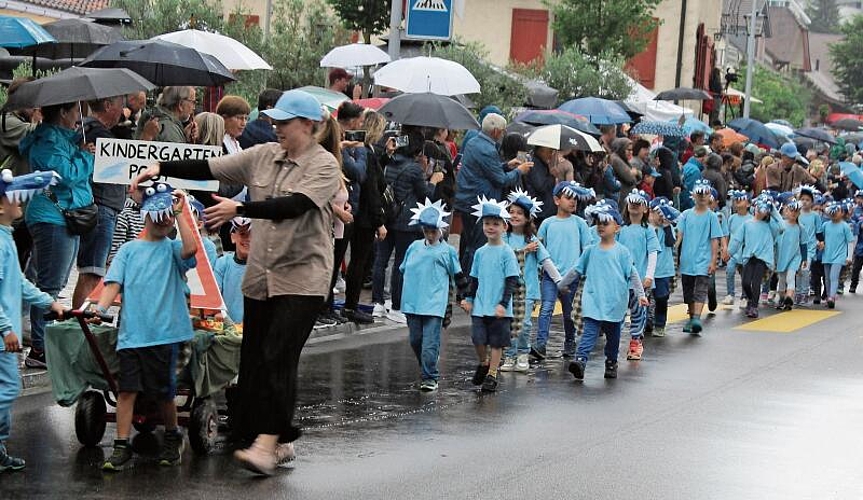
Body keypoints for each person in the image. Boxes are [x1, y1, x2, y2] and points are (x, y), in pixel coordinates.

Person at [131, 89, 341, 475]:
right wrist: (159, 167)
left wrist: (240, 208)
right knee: (256, 358)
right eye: (274, 120)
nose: (275, 126)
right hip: (262, 274)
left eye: (284, 122)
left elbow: (294, 207)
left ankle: (268, 442)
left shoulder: (324, 166)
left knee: (279, 354)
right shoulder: (261, 155)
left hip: (303, 277)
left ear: (309, 126)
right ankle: (260, 435)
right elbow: (211, 166)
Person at [93, 184, 196, 471]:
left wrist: (181, 213)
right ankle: (121, 446)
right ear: (147, 215)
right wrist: (100, 309)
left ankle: (173, 436)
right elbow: (113, 283)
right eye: (159, 214)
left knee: (164, 392)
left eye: (168, 217)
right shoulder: (128, 250)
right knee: (126, 391)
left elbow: (191, 249)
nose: (164, 221)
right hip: (132, 336)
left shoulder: (173, 250)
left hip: (165, 335)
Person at [19, 101, 94, 369]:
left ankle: (43, 342)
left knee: (54, 282)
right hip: (52, 218)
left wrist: (81, 144)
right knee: (49, 286)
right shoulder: (47, 141)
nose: (79, 116)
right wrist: (85, 155)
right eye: (76, 111)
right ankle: (40, 348)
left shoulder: (62, 138)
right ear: (62, 113)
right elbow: (68, 175)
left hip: (64, 218)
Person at [0, 168, 65, 474]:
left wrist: (49, 302)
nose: (20, 203)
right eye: (14, 198)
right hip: (3, 336)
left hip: (5, 336)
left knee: (6, 389)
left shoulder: (6, 238)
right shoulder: (0, 243)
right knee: (8, 390)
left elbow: (20, 284)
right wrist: (6, 328)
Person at [558, 199, 648, 380]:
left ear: (617, 228)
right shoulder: (590, 251)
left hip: (615, 303)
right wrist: (562, 284)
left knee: (613, 338)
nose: (601, 226)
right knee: (589, 333)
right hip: (593, 301)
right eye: (598, 223)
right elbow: (576, 270)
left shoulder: (622, 252)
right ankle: (580, 361)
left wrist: (640, 294)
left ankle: (611, 362)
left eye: (605, 223)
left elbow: (633, 274)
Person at [372, 130, 443, 324]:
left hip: (387, 217)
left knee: (381, 260)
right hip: (405, 222)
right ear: (418, 149)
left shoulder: (388, 163)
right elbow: (425, 195)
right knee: (400, 264)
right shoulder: (413, 169)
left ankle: (377, 303)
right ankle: (396, 306)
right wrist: (434, 181)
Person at [453, 113, 531, 278]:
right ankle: (469, 286)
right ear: (496, 131)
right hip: (478, 202)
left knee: (469, 245)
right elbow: (501, 180)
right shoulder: (488, 149)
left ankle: (464, 285)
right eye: (502, 131)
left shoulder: (474, 142)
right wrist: (519, 171)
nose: (503, 135)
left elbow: (485, 170)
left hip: (466, 201)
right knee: (476, 246)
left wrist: (505, 165)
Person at [400, 199, 465, 391]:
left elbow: (458, 275)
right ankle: (427, 364)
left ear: (441, 229)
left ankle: (430, 376)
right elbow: (404, 269)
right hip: (412, 302)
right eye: (426, 230)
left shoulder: (447, 251)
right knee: (415, 340)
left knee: (429, 343)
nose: (429, 234)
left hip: (434, 304)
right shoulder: (414, 247)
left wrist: (463, 297)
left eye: (433, 230)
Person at [459, 197, 520, 393]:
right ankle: (483, 363)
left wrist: (503, 303)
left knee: (496, 341)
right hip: (480, 306)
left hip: (499, 308)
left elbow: (512, 280)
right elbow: (474, 279)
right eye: (487, 223)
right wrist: (469, 298)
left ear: (504, 227)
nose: (490, 227)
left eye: (495, 224)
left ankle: (492, 374)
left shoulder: (507, 252)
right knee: (478, 339)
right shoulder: (480, 252)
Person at [73, 95, 128, 309]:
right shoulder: (98, 134)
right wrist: (147, 138)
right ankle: (81, 325)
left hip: (100, 206)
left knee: (91, 270)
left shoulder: (86, 129)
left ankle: (81, 323)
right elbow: (127, 164)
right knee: (92, 273)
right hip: (102, 207)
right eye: (120, 105)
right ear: (107, 106)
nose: (123, 110)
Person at [500, 188, 560, 373]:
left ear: (527, 217)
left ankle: (523, 353)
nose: (514, 216)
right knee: (509, 324)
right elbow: (500, 258)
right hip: (506, 290)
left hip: (527, 289)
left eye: (519, 213)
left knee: (524, 324)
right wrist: (524, 250)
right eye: (511, 212)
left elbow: (546, 260)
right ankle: (509, 355)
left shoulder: (532, 239)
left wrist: (560, 281)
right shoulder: (504, 237)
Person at [533, 181, 593, 359]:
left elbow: (587, 248)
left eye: (575, 198)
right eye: (568, 198)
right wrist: (539, 268)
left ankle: (570, 342)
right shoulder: (547, 223)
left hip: (572, 277)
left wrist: (583, 271)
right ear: (557, 200)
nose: (573, 202)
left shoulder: (580, 223)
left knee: (569, 314)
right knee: (546, 309)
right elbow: (539, 247)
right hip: (550, 277)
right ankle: (541, 344)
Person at [341, 110, 387, 325]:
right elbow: (371, 188)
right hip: (365, 215)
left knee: (359, 261)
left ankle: (352, 304)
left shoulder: (366, 151)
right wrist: (379, 221)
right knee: (360, 261)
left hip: (361, 213)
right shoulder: (364, 152)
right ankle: (351, 305)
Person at [676, 179, 722, 334]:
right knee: (688, 290)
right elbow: (679, 236)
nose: (702, 197)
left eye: (705, 193)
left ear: (710, 195)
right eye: (699, 193)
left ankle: (696, 317)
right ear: (693, 195)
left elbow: (715, 239)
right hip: (687, 259)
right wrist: (672, 250)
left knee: (700, 288)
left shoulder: (712, 217)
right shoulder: (685, 215)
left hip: (703, 260)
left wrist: (713, 260)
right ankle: (691, 317)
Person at [618, 190, 659, 361]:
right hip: (620, 281)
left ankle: (636, 341)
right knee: (618, 312)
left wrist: (649, 275)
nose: (634, 207)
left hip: (639, 282)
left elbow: (653, 253)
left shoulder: (648, 230)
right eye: (631, 203)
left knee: (638, 312)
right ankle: (615, 340)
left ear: (645, 208)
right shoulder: (620, 228)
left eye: (639, 204)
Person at [728, 196, 777, 319]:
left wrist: (774, 210)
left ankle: (754, 307)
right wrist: (729, 253)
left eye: (764, 209)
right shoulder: (747, 224)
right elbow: (737, 239)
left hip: (762, 259)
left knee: (756, 283)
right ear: (754, 208)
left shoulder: (769, 226)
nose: (761, 210)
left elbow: (781, 227)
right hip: (749, 257)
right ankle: (751, 299)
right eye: (759, 207)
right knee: (745, 282)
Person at [647, 197, 679, 337]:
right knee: (645, 299)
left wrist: (666, 226)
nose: (660, 217)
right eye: (657, 213)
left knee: (661, 297)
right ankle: (646, 321)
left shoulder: (668, 228)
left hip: (663, 270)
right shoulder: (646, 228)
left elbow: (670, 242)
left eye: (663, 214)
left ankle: (660, 324)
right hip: (647, 270)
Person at [214, 217, 251, 324]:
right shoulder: (223, 263)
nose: (248, 239)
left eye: (253, 235)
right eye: (243, 234)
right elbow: (216, 297)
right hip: (228, 329)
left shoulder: (262, 266)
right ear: (233, 237)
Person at [819, 201, 854, 309]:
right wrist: (820, 244)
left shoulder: (845, 226)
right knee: (827, 278)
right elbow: (821, 239)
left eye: (837, 211)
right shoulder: (825, 225)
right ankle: (829, 296)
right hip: (827, 255)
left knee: (833, 277)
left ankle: (832, 297)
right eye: (832, 211)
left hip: (839, 256)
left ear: (842, 213)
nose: (834, 213)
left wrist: (849, 257)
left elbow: (850, 242)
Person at [774, 197, 807, 311]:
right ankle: (782, 298)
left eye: (796, 211)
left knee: (790, 277)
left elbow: (803, 244)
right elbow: (774, 241)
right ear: (785, 211)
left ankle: (789, 297)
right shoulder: (781, 225)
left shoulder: (801, 228)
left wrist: (804, 259)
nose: (793, 213)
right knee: (782, 280)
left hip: (795, 257)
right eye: (791, 210)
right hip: (782, 256)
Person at [722, 190, 753, 306]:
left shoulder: (751, 219)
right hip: (732, 252)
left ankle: (744, 296)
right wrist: (726, 248)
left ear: (749, 204)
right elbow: (728, 234)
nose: (738, 201)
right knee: (729, 271)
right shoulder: (732, 218)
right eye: (737, 199)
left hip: (745, 252)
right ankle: (730, 294)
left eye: (742, 199)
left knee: (745, 276)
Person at [795, 185, 820, 304]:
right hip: (796, 248)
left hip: (809, 248)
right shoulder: (796, 213)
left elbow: (819, 231)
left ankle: (805, 292)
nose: (804, 202)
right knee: (797, 270)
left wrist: (821, 241)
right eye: (802, 199)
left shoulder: (815, 215)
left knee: (805, 270)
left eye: (807, 200)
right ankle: (798, 292)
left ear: (812, 202)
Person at [609, 137, 639, 208]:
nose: (631, 152)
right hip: (621, 199)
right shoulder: (615, 159)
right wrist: (634, 173)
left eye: (632, 150)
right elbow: (630, 178)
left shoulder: (623, 160)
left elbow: (639, 174)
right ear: (622, 149)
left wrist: (636, 172)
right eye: (628, 150)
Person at [680, 146, 707, 210]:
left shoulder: (687, 165)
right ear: (703, 157)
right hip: (687, 208)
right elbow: (690, 193)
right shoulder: (695, 171)